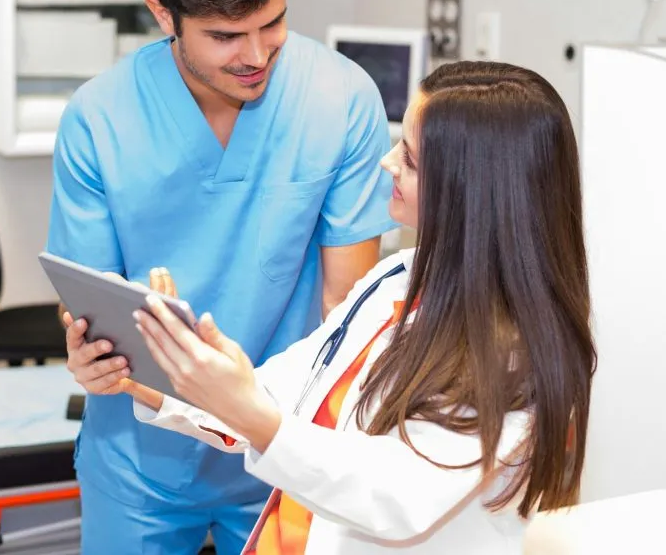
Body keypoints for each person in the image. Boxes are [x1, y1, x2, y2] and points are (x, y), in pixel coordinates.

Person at [46, 0, 396, 555]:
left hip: (284, 444)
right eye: (225, 36)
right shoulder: (99, 119)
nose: (257, 56)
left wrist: (320, 453)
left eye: (273, 23)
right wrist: (87, 355)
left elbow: (344, 308)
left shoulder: (341, 99)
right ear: (162, 13)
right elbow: (89, 300)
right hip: (141, 454)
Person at [123, 61, 597, 553]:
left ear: (470, 189)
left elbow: (394, 498)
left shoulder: (509, 353)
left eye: (410, 159)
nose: (387, 163)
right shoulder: (400, 276)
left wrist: (253, 415)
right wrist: (163, 377)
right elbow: (286, 390)